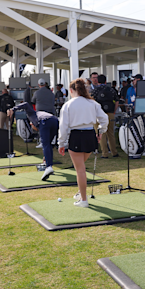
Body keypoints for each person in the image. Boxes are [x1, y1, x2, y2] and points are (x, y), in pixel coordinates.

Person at [57, 78, 109, 208]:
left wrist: (61, 143)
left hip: (76, 136)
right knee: (81, 167)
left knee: (80, 169)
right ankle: (81, 192)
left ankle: (84, 200)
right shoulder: (93, 103)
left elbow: (63, 127)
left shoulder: (68, 105)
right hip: (90, 135)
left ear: (71, 90)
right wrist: (101, 132)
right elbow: (104, 119)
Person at [7, 102, 59, 181]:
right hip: (55, 121)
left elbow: (26, 104)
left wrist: (12, 109)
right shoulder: (39, 115)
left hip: (45, 121)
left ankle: (48, 167)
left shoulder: (32, 113)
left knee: (45, 144)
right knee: (48, 144)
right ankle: (47, 163)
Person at [91, 74, 120, 158]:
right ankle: (114, 152)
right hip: (110, 113)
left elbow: (92, 102)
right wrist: (113, 111)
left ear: (97, 81)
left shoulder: (95, 90)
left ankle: (105, 153)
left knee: (101, 134)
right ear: (105, 81)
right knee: (110, 133)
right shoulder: (111, 89)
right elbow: (117, 101)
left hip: (99, 114)